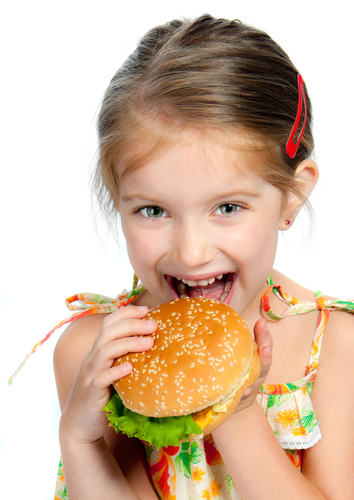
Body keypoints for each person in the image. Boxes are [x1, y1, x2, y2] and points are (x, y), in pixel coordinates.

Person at [52, 14, 354, 500]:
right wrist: (80, 441)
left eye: (228, 208)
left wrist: (234, 409)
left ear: (292, 195)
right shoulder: (95, 351)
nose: (191, 253)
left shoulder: (336, 347)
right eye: (153, 210)